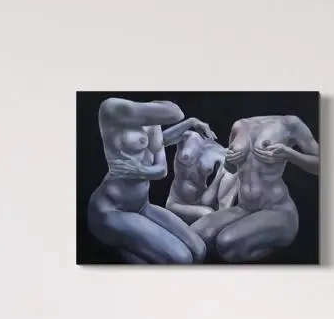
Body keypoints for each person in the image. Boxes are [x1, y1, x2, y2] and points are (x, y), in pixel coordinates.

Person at [86, 97, 215, 264]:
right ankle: (120, 255)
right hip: (111, 208)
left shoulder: (153, 123)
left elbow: (161, 170)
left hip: (141, 206)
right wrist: (145, 171)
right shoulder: (111, 108)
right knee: (181, 259)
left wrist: (138, 170)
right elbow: (176, 114)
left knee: (199, 250)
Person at [193, 113, 320, 263]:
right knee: (196, 237)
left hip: (277, 210)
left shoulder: (290, 123)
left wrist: (289, 154)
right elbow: (231, 168)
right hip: (244, 208)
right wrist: (229, 159)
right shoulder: (239, 125)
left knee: (226, 243)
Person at [166, 127, 232, 224]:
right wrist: (191, 122)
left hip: (201, 199)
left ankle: (224, 211)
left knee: (230, 167)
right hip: (177, 202)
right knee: (208, 213)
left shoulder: (220, 151)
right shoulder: (189, 136)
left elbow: (228, 181)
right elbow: (162, 140)